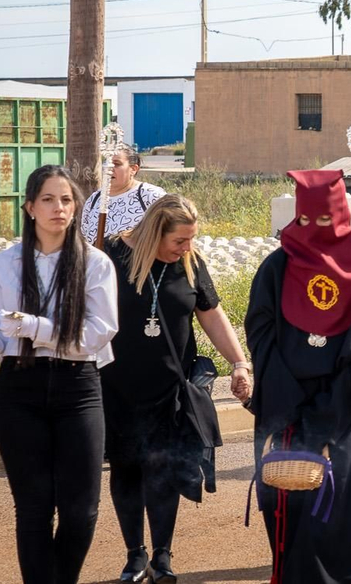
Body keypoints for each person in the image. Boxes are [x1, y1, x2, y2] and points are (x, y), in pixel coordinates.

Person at [0, 165, 118, 584]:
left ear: (76, 208)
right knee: (35, 507)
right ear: (29, 207)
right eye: (48, 199)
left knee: (81, 509)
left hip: (78, 388)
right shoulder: (5, 264)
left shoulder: (95, 264)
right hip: (19, 389)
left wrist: (37, 327)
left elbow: (97, 334)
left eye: (67, 200)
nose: (59, 208)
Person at [244, 169, 351, 584]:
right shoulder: (275, 267)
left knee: (331, 519)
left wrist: (325, 418)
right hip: (282, 410)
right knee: (286, 517)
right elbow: (261, 336)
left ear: (340, 216)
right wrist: (287, 410)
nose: (314, 230)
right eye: (305, 221)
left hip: (338, 414)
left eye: (324, 221)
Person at [100, 194, 251, 584]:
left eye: (192, 240)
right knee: (126, 468)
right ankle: (135, 555)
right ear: (155, 232)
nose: (187, 247)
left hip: (171, 387)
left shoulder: (190, 263)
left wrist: (239, 362)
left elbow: (211, 314)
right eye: (179, 241)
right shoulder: (112, 255)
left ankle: (162, 556)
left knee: (163, 469)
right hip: (117, 385)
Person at [79, 144, 167, 244]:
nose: (109, 168)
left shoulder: (151, 196)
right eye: (106, 162)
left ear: (133, 169)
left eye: (116, 164)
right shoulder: (94, 200)